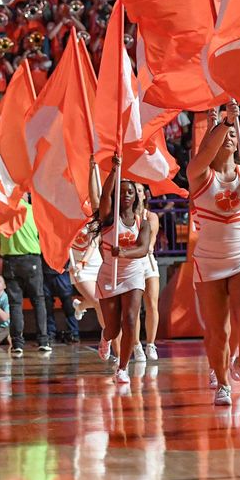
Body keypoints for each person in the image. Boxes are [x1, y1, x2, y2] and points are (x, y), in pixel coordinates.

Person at [188, 102, 240, 405]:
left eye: (234, 133)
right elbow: (208, 149)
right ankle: (221, 383)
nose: (230, 136)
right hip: (209, 261)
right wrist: (225, 121)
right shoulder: (199, 172)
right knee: (217, 331)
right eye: (224, 133)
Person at [96, 159, 151, 384]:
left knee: (130, 319)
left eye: (131, 192)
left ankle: (122, 368)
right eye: (123, 191)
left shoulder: (143, 223)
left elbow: (143, 249)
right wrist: (114, 170)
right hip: (110, 274)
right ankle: (105, 339)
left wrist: (124, 253)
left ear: (135, 197)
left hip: (133, 274)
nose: (127, 194)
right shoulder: (109, 217)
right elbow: (103, 196)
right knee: (113, 327)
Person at [0, 197, 51, 357]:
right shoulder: (33, 210)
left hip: (10, 260)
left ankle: (17, 344)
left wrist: (6, 254)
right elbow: (44, 236)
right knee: (38, 300)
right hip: (32, 259)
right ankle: (43, 341)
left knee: (15, 304)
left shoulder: (1, 212)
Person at [134, 184, 161, 362]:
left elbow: (152, 234)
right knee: (134, 308)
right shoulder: (124, 217)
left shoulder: (150, 216)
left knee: (151, 303)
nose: (136, 194)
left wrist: (149, 246)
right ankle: (136, 345)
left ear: (145, 195)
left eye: (139, 191)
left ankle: (150, 344)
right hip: (131, 262)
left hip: (148, 260)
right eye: (132, 191)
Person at [42, 257, 80, 344]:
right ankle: (50, 333)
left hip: (61, 269)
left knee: (68, 304)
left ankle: (74, 332)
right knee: (47, 305)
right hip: (45, 270)